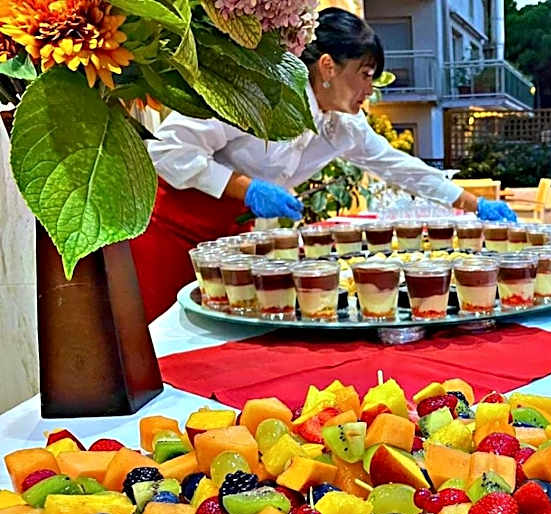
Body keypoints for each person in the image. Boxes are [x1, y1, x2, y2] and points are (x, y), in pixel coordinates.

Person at [134, 8, 516, 321]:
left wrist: (472, 202)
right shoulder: (258, 91)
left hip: (229, 240)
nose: (370, 89)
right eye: (365, 75)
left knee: (209, 335)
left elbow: (399, 166)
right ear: (328, 66)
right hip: (171, 229)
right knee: (160, 338)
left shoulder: (342, 125)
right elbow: (166, 151)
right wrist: (245, 187)